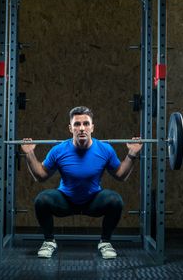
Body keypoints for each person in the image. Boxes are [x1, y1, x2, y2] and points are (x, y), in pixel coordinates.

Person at [21, 106, 142, 259]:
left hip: (93, 201)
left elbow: (120, 175)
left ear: (92, 127)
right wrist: (29, 153)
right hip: (65, 201)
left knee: (115, 200)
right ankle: (49, 241)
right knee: (42, 200)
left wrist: (132, 153)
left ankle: (105, 242)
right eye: (77, 124)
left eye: (86, 123)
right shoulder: (59, 150)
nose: (82, 128)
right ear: (70, 128)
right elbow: (40, 176)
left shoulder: (105, 149)